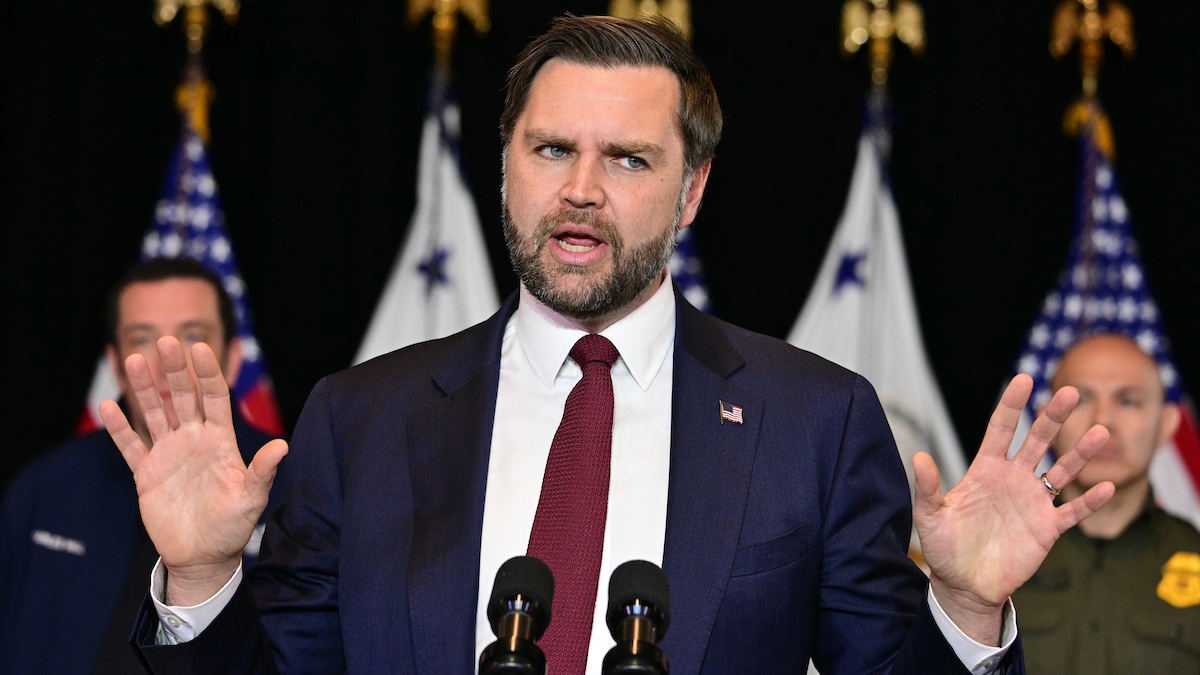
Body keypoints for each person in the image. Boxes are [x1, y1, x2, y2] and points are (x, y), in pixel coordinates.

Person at [102, 15, 1114, 674]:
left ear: (691, 191)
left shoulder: (815, 420)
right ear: (504, 170)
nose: (580, 188)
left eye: (627, 158)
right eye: (550, 150)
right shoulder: (360, 419)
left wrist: (969, 614)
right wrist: (198, 584)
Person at [0, 257, 279, 674]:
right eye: (142, 338)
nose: (168, 361)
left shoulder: (288, 487)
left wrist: (205, 572)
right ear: (114, 363)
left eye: (194, 335)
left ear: (234, 358)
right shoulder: (45, 486)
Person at [1012, 332, 1200, 672]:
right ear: (1048, 419)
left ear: (1166, 425)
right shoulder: (998, 556)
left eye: (1128, 401)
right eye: (1081, 399)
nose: (1103, 420)